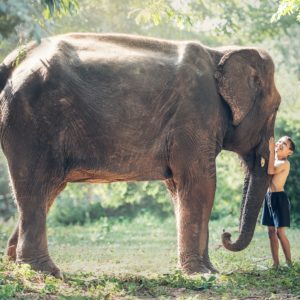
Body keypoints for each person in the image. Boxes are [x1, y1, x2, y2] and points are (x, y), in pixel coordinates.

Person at [261, 136, 296, 267]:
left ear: (289, 152)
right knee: (270, 231)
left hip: (279, 199)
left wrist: (270, 150)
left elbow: (271, 170)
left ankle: (289, 263)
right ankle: (275, 263)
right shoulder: (273, 160)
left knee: (280, 233)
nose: (281, 144)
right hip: (269, 197)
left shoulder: (284, 163)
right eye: (280, 141)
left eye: (285, 144)